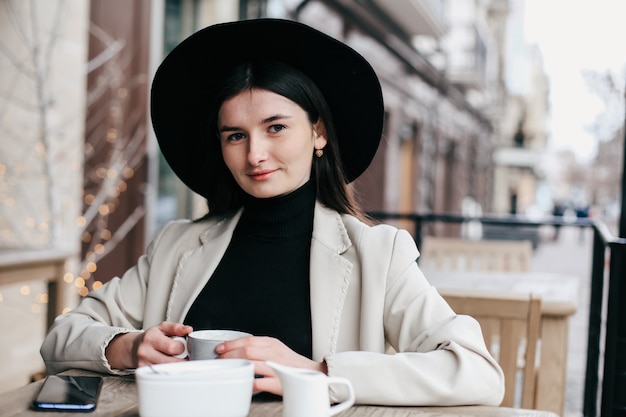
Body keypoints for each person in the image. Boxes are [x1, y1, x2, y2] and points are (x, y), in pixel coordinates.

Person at [41, 18, 504, 406]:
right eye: (235, 135)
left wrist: (318, 372)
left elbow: (478, 372)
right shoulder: (177, 244)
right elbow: (62, 337)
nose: (255, 154)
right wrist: (130, 346)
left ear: (319, 133)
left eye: (275, 127)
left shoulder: (378, 253)